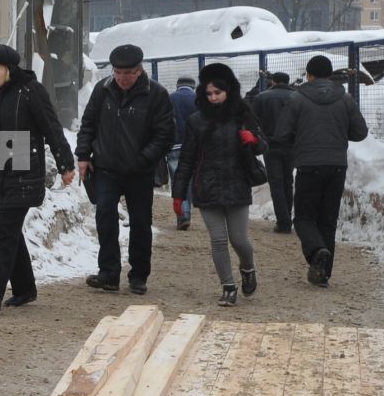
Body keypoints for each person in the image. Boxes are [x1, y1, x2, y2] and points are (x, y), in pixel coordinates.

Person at [0, 43, 75, 316]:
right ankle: (25, 288)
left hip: (24, 174)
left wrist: (65, 164)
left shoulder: (30, 92)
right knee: (9, 231)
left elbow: (51, 127)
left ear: (9, 70)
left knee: (6, 232)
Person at [76, 44, 174, 295]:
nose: (122, 78)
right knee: (105, 216)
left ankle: (139, 275)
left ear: (139, 71)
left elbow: (165, 135)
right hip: (106, 168)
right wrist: (83, 155)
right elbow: (88, 124)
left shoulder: (156, 94)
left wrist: (143, 159)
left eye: (128, 73)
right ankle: (108, 273)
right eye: (118, 72)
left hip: (139, 172)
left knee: (141, 223)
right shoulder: (103, 90)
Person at [269, 53, 369, 286]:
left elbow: (282, 133)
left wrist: (299, 138)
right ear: (330, 74)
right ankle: (323, 274)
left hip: (308, 165)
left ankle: (316, 252)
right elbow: (360, 132)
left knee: (304, 218)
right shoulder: (345, 98)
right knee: (327, 220)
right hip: (337, 166)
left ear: (309, 75)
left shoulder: (297, 99)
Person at [171, 63, 265, 308]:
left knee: (239, 240)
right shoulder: (196, 120)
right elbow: (187, 159)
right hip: (206, 186)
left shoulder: (243, 114)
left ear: (228, 91)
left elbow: (262, 146)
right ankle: (228, 286)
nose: (212, 98)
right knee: (219, 240)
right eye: (208, 93)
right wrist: (178, 194)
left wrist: (253, 139)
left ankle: (248, 267)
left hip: (237, 185)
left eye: (217, 93)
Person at [251, 70, 297, 234]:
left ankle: (283, 222)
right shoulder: (297, 97)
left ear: (273, 82)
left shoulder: (262, 97)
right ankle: (287, 218)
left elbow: (253, 121)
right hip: (291, 145)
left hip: (270, 145)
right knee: (288, 181)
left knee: (276, 183)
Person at [167, 75, 197, 230]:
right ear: (193, 86)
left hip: (174, 146)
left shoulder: (170, 98)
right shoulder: (199, 99)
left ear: (178, 85)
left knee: (178, 180)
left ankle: (183, 214)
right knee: (192, 179)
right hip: (195, 147)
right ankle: (192, 209)